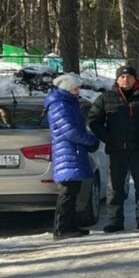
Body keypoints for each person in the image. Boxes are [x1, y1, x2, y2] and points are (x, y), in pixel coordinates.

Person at [89, 64, 139, 232]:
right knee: (114, 188)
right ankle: (115, 221)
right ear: (117, 79)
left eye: (129, 76)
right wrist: (108, 139)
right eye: (122, 77)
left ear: (135, 79)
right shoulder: (106, 98)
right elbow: (94, 121)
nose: (125, 79)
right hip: (116, 151)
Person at [46, 73, 98, 240]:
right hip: (67, 151)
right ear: (67, 88)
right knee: (67, 191)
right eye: (75, 88)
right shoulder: (60, 104)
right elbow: (69, 130)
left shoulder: (68, 102)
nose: (78, 91)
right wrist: (89, 140)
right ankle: (61, 229)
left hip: (72, 151)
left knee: (73, 190)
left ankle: (71, 225)